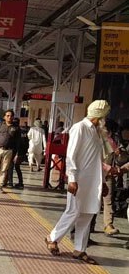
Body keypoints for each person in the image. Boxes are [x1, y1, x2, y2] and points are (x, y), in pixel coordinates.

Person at [44, 100, 111, 265]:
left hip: (93, 181)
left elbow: (98, 160)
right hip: (79, 180)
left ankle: (80, 249)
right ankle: (52, 238)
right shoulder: (79, 128)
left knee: (87, 214)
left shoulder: (96, 132)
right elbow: (71, 155)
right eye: (105, 116)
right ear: (99, 115)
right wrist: (72, 178)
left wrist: (102, 182)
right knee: (73, 211)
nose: (105, 119)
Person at [6, 117, 29, 189]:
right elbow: (27, 143)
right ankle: (21, 183)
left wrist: (16, 154)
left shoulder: (15, 131)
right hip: (22, 152)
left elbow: (17, 143)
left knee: (10, 167)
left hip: (15, 152)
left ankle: (10, 183)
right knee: (17, 167)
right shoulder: (24, 131)